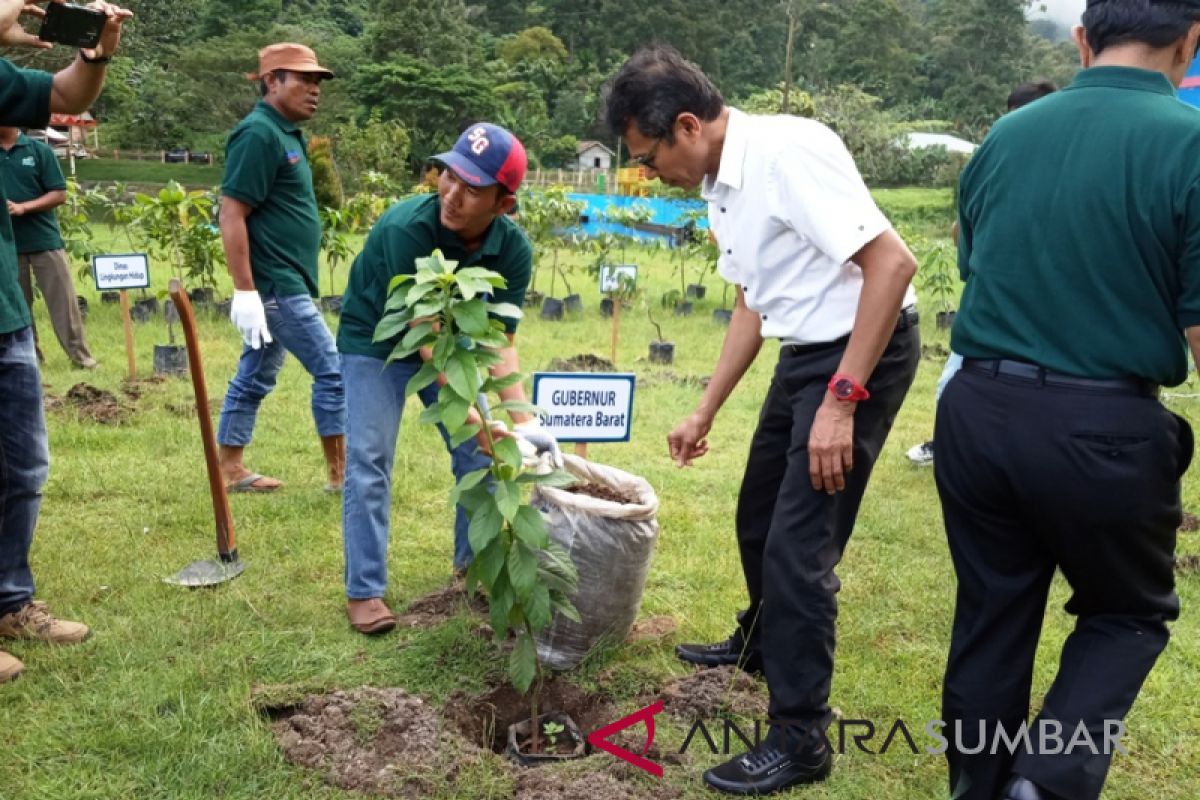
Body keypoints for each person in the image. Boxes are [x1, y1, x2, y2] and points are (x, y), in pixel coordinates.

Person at [604, 46, 920, 794]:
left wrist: (843, 401)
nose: (651, 176)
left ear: (688, 126)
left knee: (798, 547)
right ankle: (760, 643)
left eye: (650, 160)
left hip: (858, 353)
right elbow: (752, 300)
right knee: (756, 518)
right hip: (805, 350)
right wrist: (704, 407)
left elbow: (894, 264)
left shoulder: (787, 153)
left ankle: (801, 735)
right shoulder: (720, 182)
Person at [936, 4, 1200, 798]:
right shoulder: (1189, 145)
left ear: (1083, 40)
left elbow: (978, 268)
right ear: (1191, 44)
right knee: (1126, 615)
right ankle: (1047, 780)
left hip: (977, 409)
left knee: (992, 613)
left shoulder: (1004, 138)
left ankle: (976, 787)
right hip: (1104, 428)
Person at [337, 123, 560, 635]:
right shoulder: (406, 230)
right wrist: (472, 414)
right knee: (370, 458)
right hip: (375, 340)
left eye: (473, 188)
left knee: (479, 455)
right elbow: (423, 332)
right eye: (449, 176)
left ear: (503, 205)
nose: (452, 195)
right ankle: (365, 590)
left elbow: (498, 339)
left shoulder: (512, 251)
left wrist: (522, 424)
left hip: (450, 344)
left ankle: (471, 571)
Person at [0, 0, 133, 685]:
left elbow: (61, 95)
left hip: (4, 316)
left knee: (23, 469)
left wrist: (95, 52)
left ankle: (10, 601)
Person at [905, 79, 1057, 467]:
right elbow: (963, 236)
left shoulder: (1025, 164)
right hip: (995, 306)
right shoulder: (996, 163)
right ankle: (952, 446)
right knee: (956, 383)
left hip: (1021, 310)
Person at [215, 43, 345, 494]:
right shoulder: (258, 134)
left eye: (317, 81)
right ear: (272, 81)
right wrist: (246, 292)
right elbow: (232, 213)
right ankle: (341, 475)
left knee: (256, 372)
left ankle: (230, 468)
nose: (315, 90)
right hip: (276, 285)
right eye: (303, 79)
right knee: (334, 370)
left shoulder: (286, 133)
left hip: (284, 281)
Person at [0, 125, 97, 369]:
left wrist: (24, 207)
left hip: (44, 240)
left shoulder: (39, 151)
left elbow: (59, 194)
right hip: (8, 245)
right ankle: (29, 358)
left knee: (63, 302)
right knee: (19, 305)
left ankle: (81, 358)